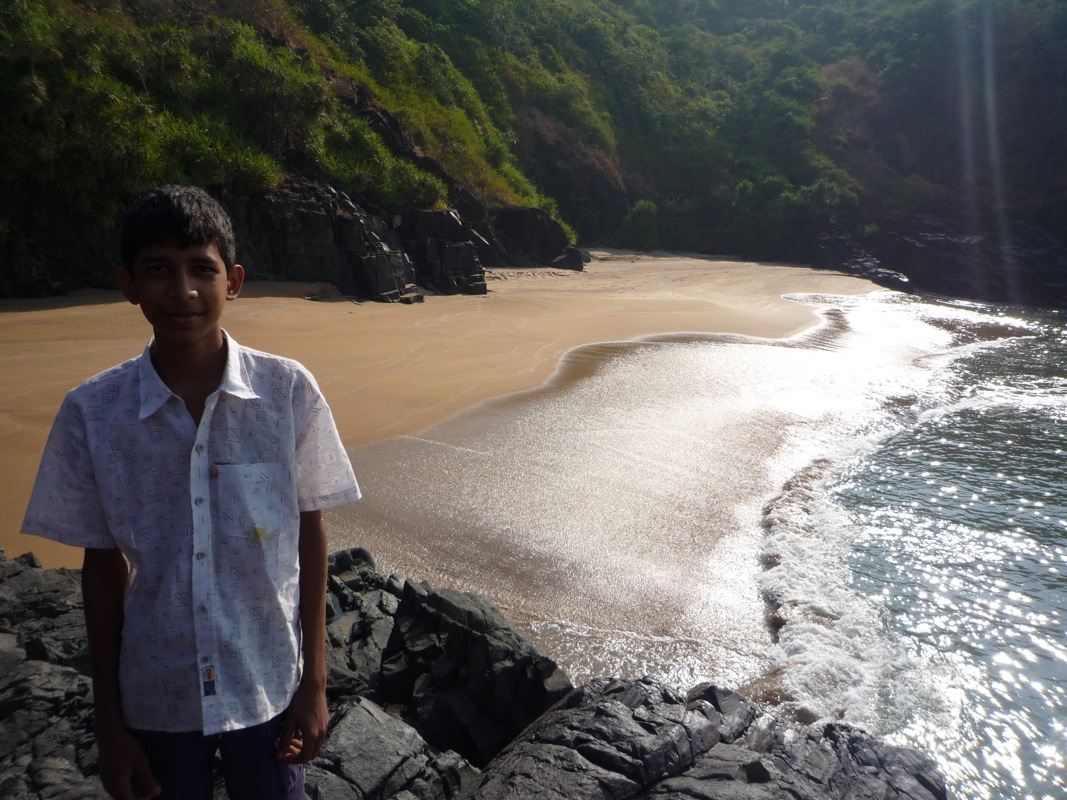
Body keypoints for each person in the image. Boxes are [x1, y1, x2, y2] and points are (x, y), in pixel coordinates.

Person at [21, 185, 361, 800]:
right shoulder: (93, 413)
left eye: (201, 269)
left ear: (233, 281)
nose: (182, 290)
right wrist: (108, 723)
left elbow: (309, 534)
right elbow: (101, 567)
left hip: (267, 682)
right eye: (158, 270)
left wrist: (315, 685)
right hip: (157, 693)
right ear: (128, 284)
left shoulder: (287, 392)